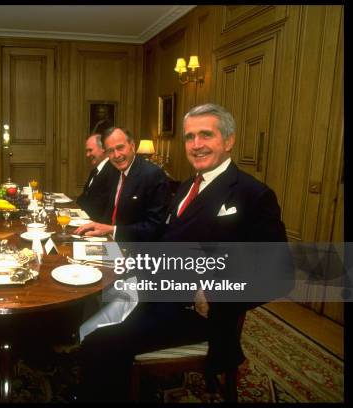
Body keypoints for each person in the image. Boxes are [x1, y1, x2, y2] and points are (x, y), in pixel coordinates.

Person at [74, 104, 291, 401]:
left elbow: (279, 275)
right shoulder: (189, 185)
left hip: (195, 314)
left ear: (228, 141)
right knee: (88, 308)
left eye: (206, 135)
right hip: (156, 290)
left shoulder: (253, 194)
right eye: (190, 137)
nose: (196, 145)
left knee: (100, 343)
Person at [74, 127, 168, 242]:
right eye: (110, 151)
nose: (116, 155)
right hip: (109, 242)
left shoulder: (152, 175)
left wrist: (112, 230)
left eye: (120, 148)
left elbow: (155, 227)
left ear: (132, 146)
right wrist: (96, 227)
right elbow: (110, 213)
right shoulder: (115, 172)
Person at [76, 132, 119, 223]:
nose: (87, 155)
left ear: (103, 148)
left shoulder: (113, 171)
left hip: (96, 226)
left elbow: (104, 208)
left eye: (90, 150)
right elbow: (85, 197)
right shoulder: (95, 170)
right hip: (84, 220)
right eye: (86, 151)